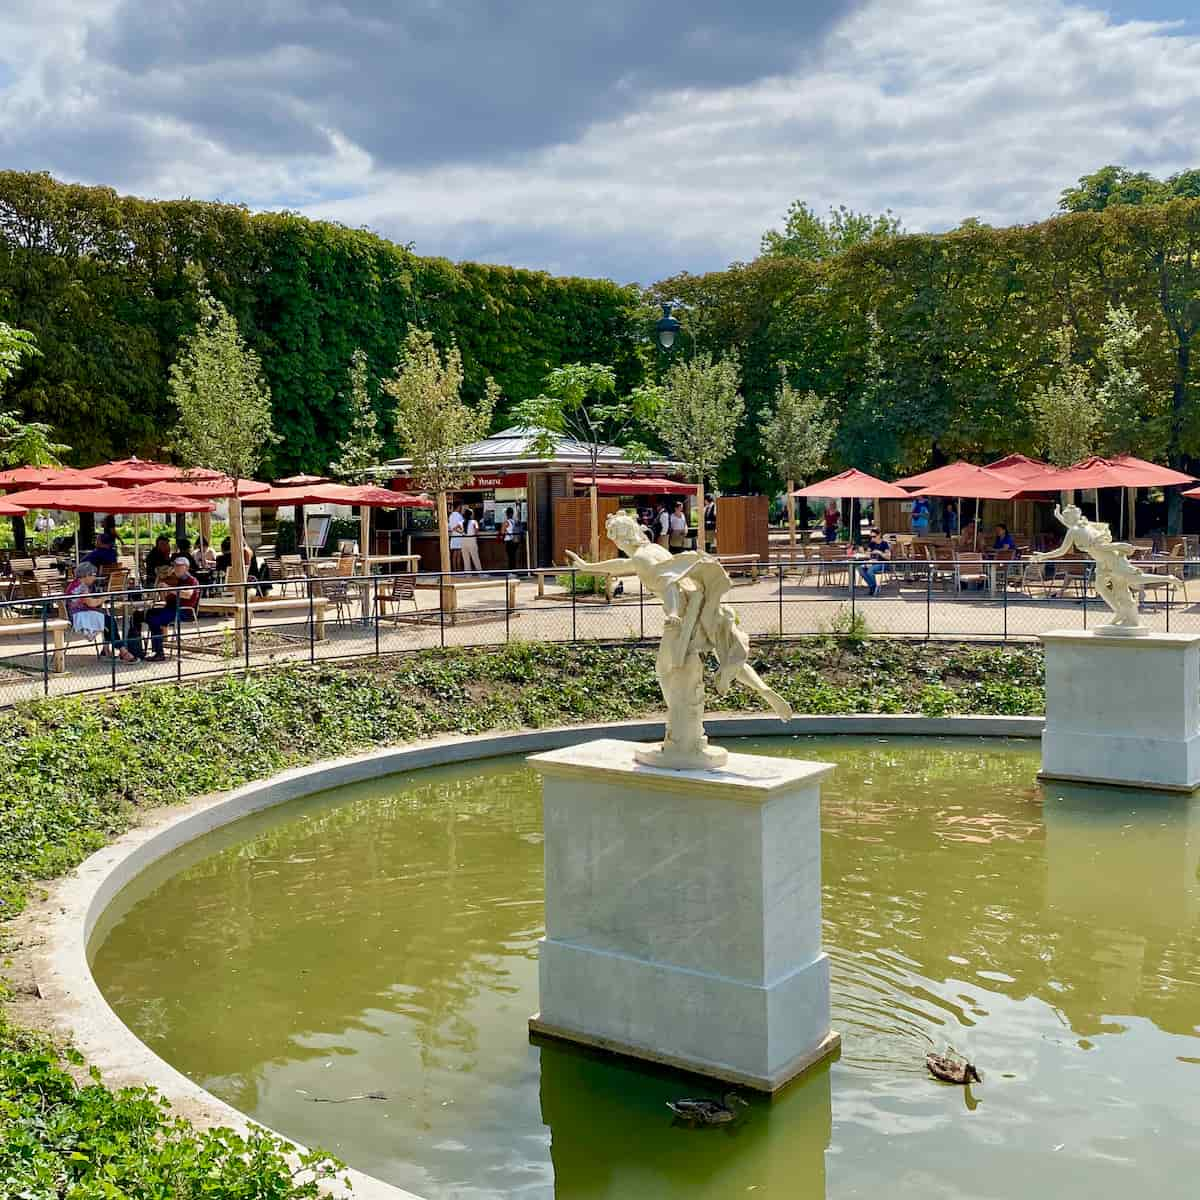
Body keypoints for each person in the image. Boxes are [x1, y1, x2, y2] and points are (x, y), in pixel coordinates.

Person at [65, 562, 136, 662]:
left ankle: (108, 650)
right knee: (109, 622)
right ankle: (122, 651)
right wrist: (104, 598)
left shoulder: (74, 584)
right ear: (86, 575)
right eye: (94, 575)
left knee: (108, 621)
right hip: (80, 617)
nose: (94, 578)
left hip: (76, 615)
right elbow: (91, 603)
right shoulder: (82, 587)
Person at [146, 558, 200, 661]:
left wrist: (169, 588)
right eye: (175, 566)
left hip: (184, 612)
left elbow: (187, 594)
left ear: (187, 568)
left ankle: (159, 652)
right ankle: (140, 649)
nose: (177, 568)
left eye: (180, 566)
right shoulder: (174, 580)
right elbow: (164, 599)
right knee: (147, 614)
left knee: (155, 619)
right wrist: (161, 586)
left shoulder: (191, 580)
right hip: (171, 609)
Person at [857, 528, 891, 596]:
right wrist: (864, 552)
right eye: (871, 537)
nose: (872, 538)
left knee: (870, 570)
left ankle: (873, 588)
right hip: (872, 562)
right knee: (860, 568)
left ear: (879, 535)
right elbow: (867, 554)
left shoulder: (884, 544)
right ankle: (873, 586)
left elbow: (888, 557)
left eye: (874, 536)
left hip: (883, 563)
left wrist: (879, 552)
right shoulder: (872, 543)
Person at [461, 506, 483, 574]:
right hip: (472, 541)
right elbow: (476, 530)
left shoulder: (461, 522)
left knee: (466, 559)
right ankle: (480, 574)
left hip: (464, 541)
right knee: (475, 558)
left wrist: (461, 532)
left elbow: (455, 528)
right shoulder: (474, 521)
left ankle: (468, 575)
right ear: (471, 515)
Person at [501, 507, 521, 572]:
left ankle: (511, 572)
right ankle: (514, 571)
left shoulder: (506, 522)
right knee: (513, 557)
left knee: (510, 557)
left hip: (509, 542)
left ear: (506, 514)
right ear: (512, 514)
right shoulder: (515, 521)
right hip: (515, 541)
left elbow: (502, 532)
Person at [448, 502, 465, 572]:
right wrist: (461, 532)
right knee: (458, 554)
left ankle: (454, 569)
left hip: (453, 536)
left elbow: (450, 527)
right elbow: (460, 526)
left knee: (454, 554)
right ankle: (459, 569)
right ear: (458, 507)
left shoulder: (451, 515)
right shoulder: (459, 516)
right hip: (459, 536)